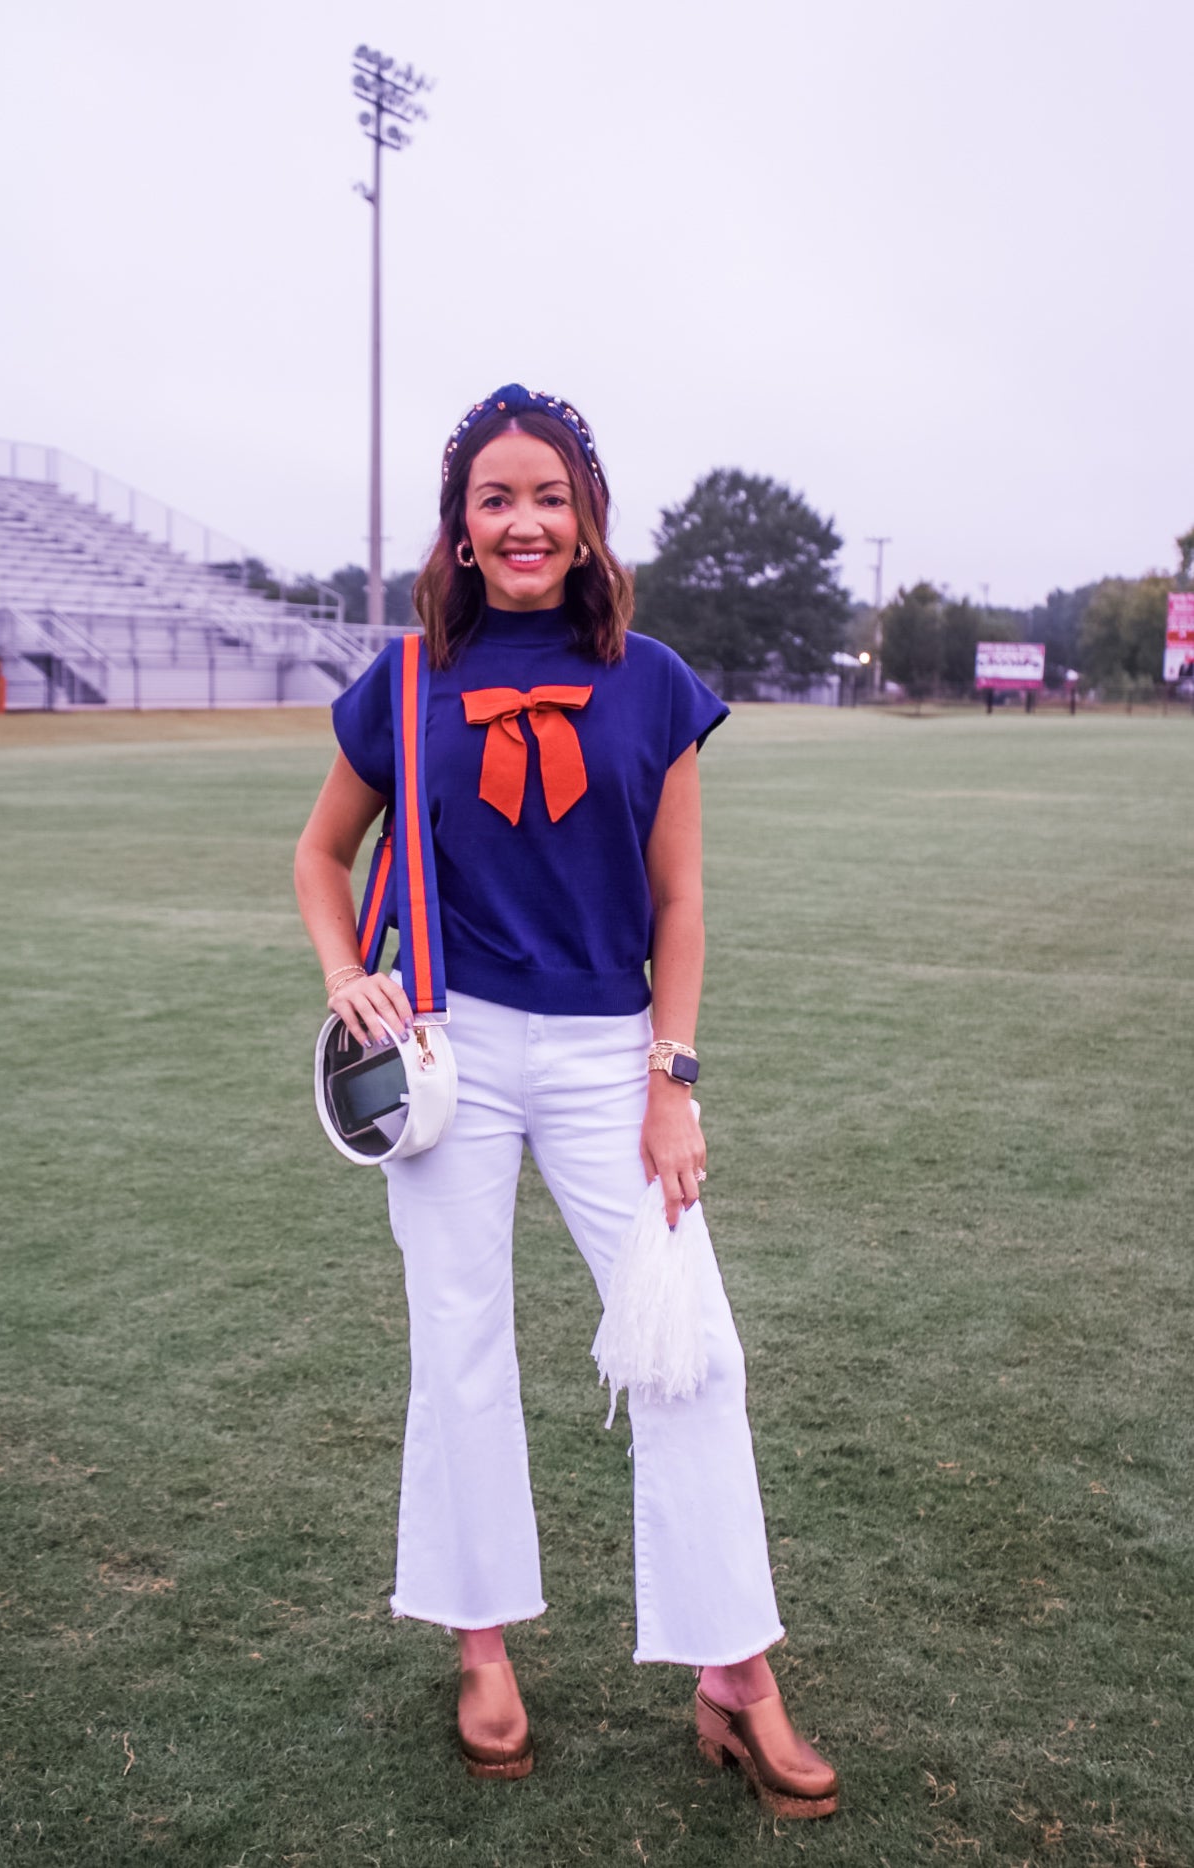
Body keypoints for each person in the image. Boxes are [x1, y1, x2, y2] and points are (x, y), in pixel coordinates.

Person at [293, 384, 837, 1820]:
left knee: (688, 1351)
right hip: (447, 1047)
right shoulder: (403, 682)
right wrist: (350, 972)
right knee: (458, 1351)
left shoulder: (650, 679)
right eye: (494, 499)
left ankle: (735, 1671)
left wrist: (673, 1079)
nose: (522, 520)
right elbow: (316, 860)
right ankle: (481, 1650)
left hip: (612, 1056)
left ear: (586, 519)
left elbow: (680, 897)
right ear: (461, 532)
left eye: (548, 496)